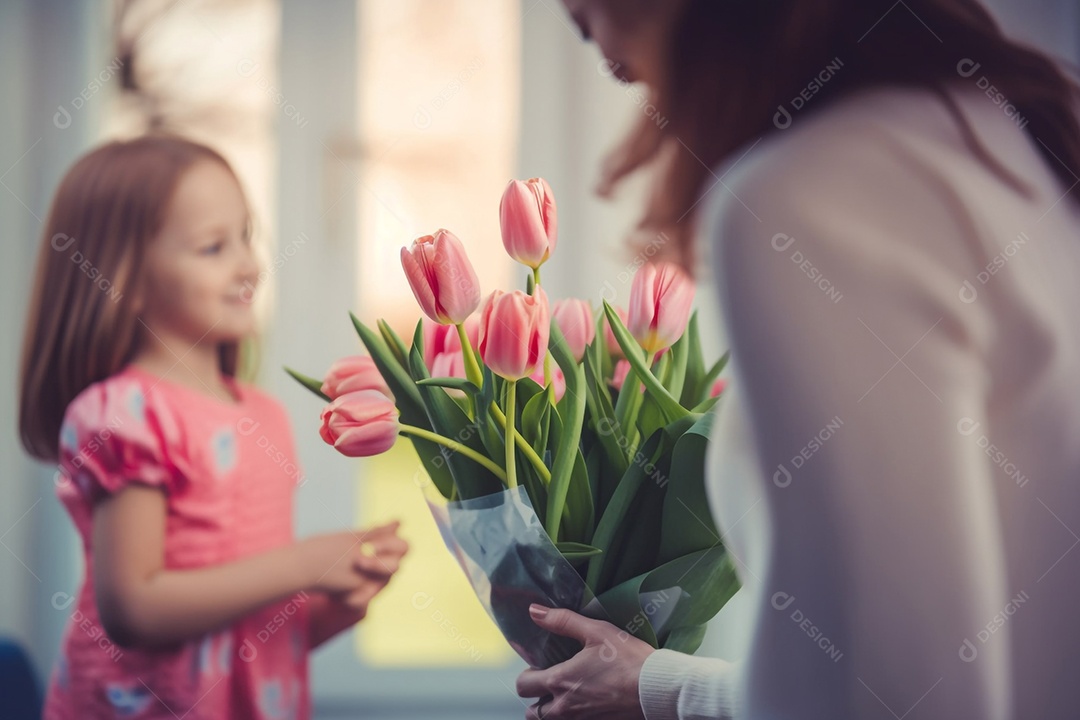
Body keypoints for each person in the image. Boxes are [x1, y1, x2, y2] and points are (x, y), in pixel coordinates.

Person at [517, 0, 1080, 717]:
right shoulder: (999, 132)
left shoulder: (813, 190)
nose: (571, 16)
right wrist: (663, 683)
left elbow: (902, 701)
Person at [18, 135, 409, 719]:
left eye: (246, 237)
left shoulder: (263, 416)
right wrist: (305, 564)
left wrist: (341, 598)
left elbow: (253, 635)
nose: (249, 264)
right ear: (122, 276)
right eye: (212, 247)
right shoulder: (126, 414)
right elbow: (133, 610)